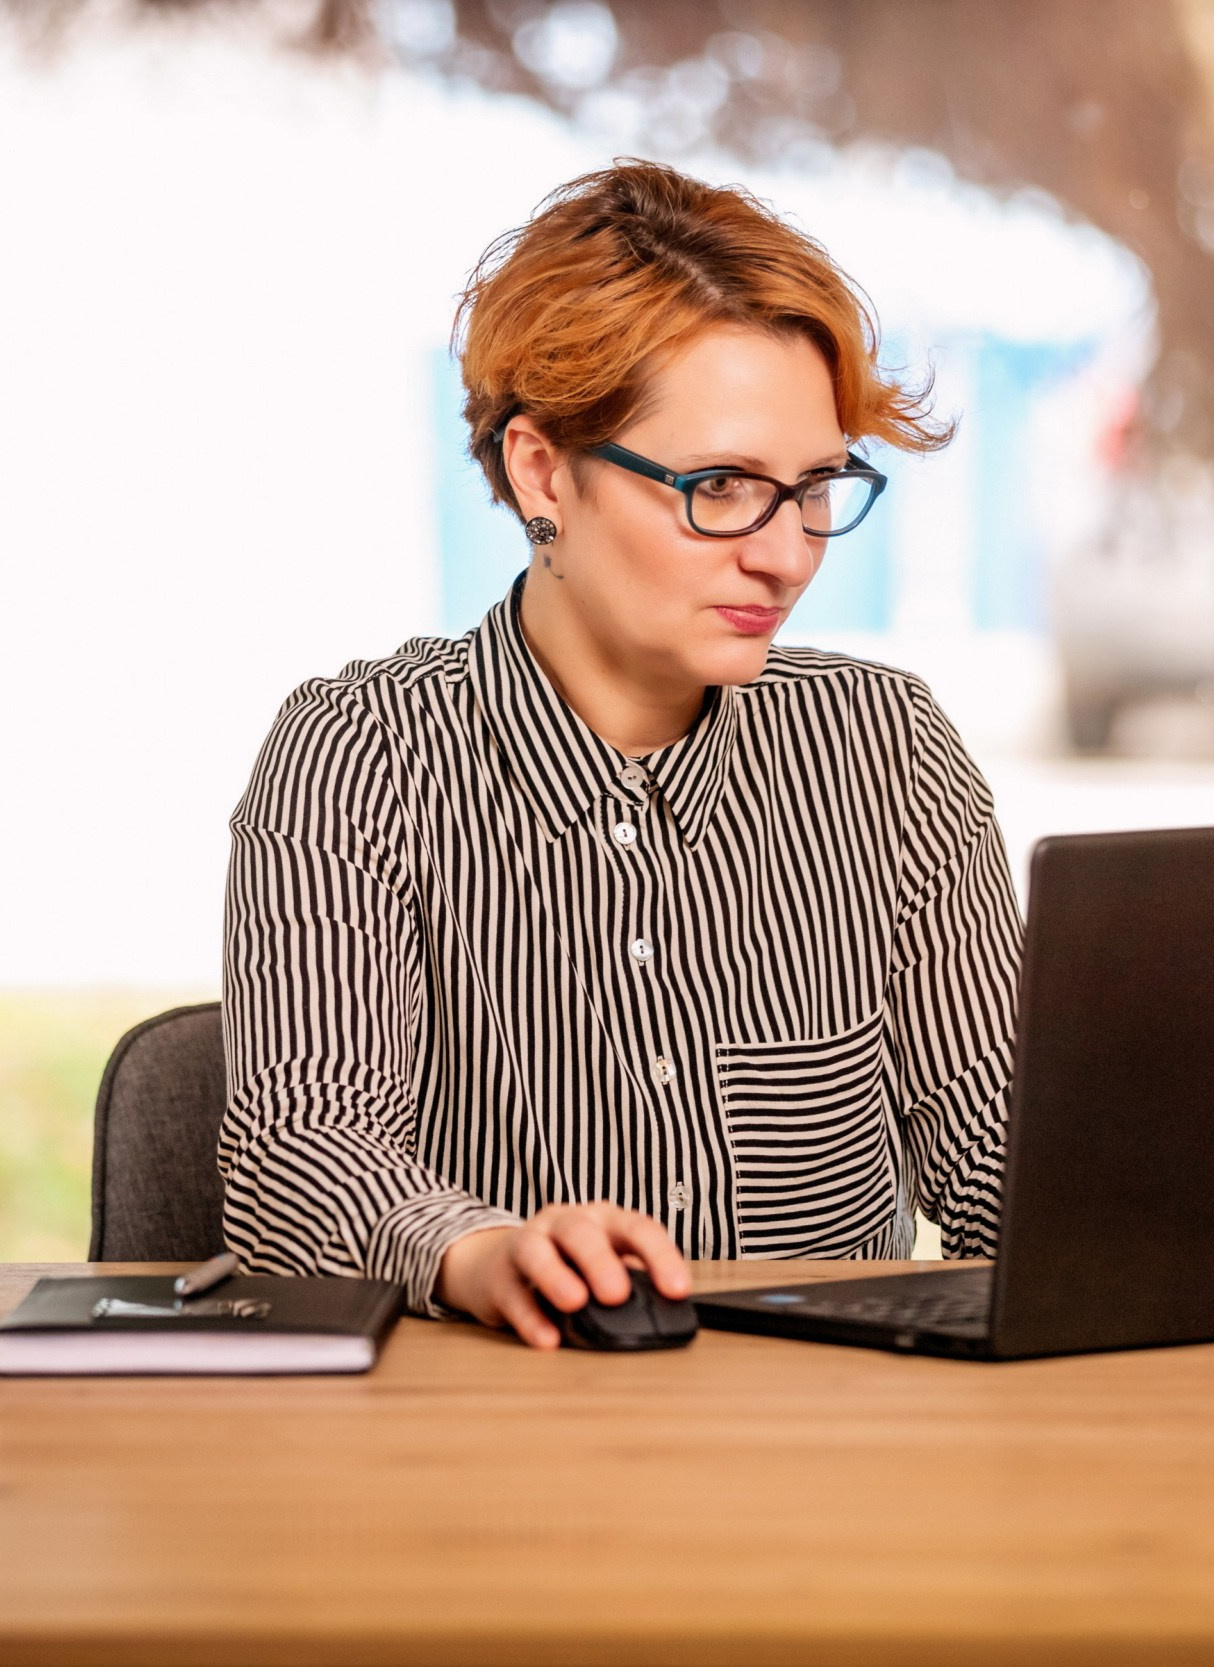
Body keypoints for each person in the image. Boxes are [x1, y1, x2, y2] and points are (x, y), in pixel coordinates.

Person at [219, 160, 1020, 1348]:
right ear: (542, 471)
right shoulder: (361, 755)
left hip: (825, 1438)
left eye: (814, 488)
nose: (787, 555)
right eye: (722, 487)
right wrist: (478, 1250)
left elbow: (1005, 1153)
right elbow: (300, 1147)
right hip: (497, 1430)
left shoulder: (889, 751)